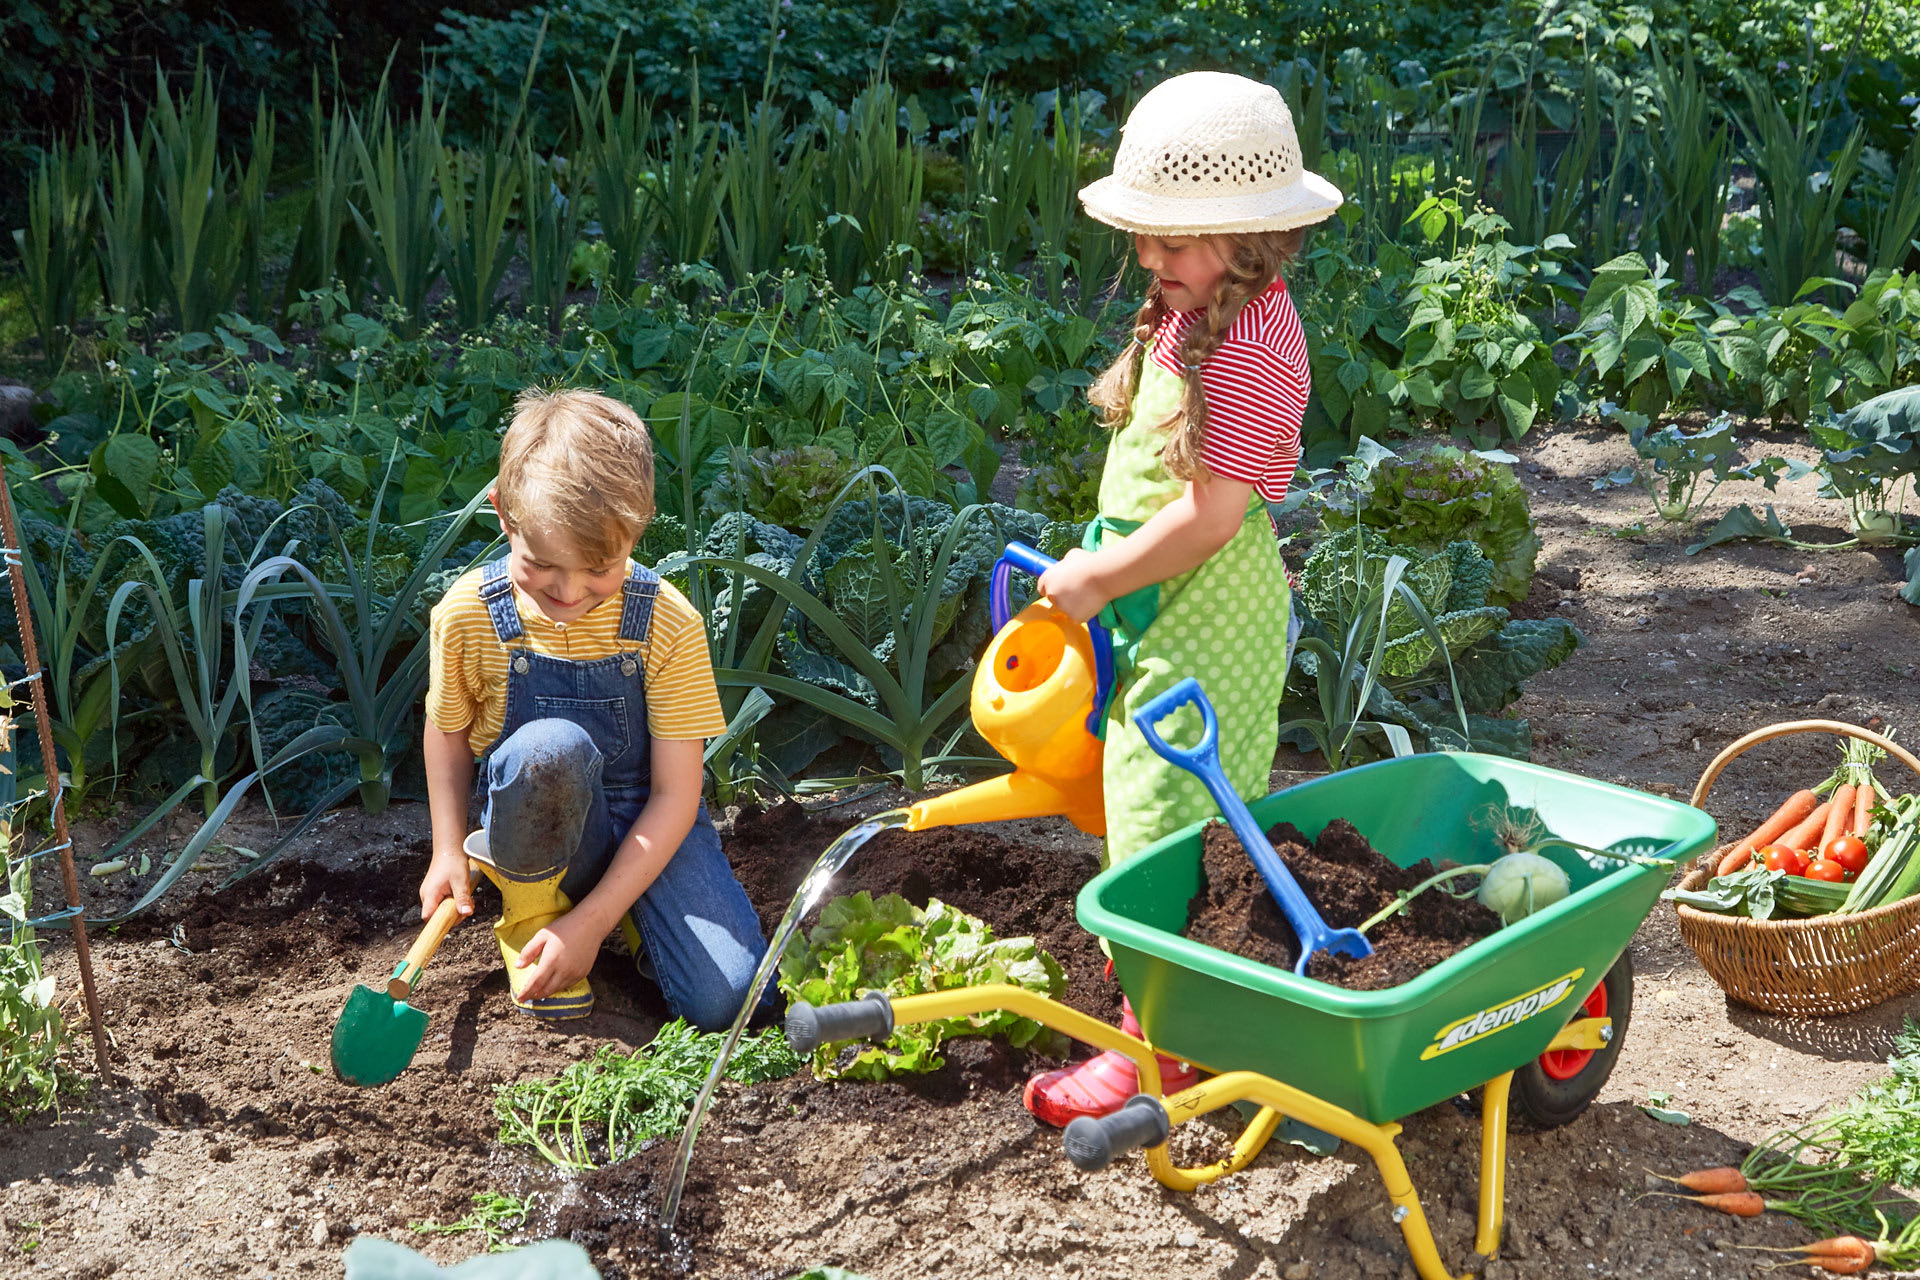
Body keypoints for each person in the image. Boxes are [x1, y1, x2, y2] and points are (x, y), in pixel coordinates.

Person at [1021, 71, 1342, 1126]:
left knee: (1167, 820)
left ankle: (1166, 1048)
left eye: (1170, 241)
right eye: (1145, 238)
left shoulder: (1249, 345)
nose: (1148, 259)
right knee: (1149, 804)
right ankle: (1173, 1014)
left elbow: (1210, 515)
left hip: (1208, 610)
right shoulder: (1201, 306)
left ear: (1247, 241)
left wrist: (1096, 578)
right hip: (1170, 602)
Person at [416, 387, 776, 1030]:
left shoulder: (666, 623)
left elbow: (675, 798)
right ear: (503, 515)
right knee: (547, 750)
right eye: (544, 566)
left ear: (639, 529)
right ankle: (533, 916)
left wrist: (594, 923)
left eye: (598, 570)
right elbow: (447, 733)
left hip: (648, 820)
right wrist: (448, 849)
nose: (569, 592)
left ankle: (624, 912)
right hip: (543, 823)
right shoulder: (470, 615)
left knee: (730, 1002)